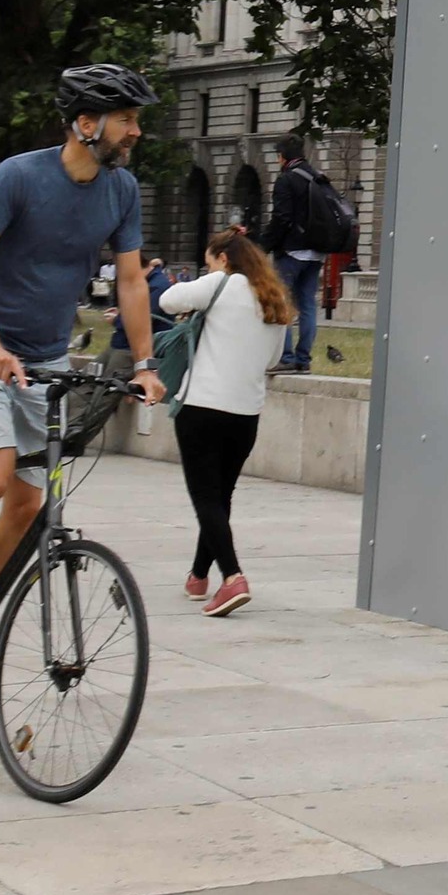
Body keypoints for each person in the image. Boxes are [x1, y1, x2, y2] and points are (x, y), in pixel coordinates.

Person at [0, 65, 165, 657]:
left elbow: (130, 280)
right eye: (127, 120)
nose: (136, 132)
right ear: (85, 123)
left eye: (135, 121)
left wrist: (146, 363)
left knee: (29, 501)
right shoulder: (19, 177)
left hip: (45, 355)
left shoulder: (121, 191)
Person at [152, 228, 293, 614]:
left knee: (205, 499)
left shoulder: (220, 284)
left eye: (209, 260)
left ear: (224, 259)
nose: (208, 267)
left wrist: (201, 295)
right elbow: (271, 359)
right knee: (219, 496)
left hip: (202, 407)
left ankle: (232, 578)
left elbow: (166, 300)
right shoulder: (274, 298)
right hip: (246, 414)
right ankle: (199, 576)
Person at [264, 137, 345, 374]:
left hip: (291, 251)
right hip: (316, 252)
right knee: (308, 304)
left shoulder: (286, 180)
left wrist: (263, 245)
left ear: (282, 156)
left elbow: (281, 218)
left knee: (283, 303)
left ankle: (286, 357)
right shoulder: (319, 177)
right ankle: (303, 359)